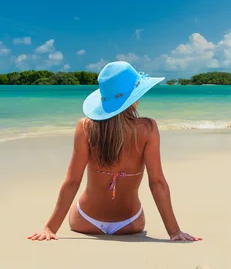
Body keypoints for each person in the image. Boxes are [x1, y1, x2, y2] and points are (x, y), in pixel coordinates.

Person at [28, 61, 201, 242]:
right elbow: (157, 183)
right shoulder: (148, 128)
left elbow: (72, 182)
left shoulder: (86, 127)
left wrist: (50, 228)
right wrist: (174, 231)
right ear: (134, 98)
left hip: (85, 221)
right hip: (130, 224)